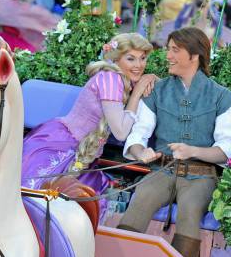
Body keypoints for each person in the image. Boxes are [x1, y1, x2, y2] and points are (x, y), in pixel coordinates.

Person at [117, 27, 231, 257]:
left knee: (191, 208)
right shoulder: (157, 91)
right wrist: (142, 152)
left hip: (202, 176)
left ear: (194, 56)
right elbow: (138, 134)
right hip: (162, 171)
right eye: (168, 49)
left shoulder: (221, 97)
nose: (168, 56)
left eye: (175, 50)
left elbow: (226, 150)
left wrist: (193, 151)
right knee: (142, 196)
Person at [21, 33, 155, 200]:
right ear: (116, 59)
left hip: (84, 155)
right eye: (131, 59)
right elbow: (121, 132)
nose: (139, 65)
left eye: (143, 58)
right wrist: (137, 93)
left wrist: (148, 81)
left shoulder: (124, 79)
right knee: (36, 199)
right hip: (61, 146)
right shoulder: (110, 79)